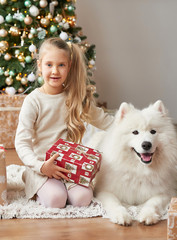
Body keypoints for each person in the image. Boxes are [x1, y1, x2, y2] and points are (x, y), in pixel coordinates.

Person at [15, 37, 114, 208]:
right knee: (56, 200)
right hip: (42, 166)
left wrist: (133, 125)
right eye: (49, 65)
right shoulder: (33, 101)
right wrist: (40, 166)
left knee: (82, 199)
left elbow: (105, 121)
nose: (55, 71)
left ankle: (62, 188)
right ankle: (34, 182)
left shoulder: (74, 98)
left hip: (69, 165)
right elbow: (21, 141)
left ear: (69, 67)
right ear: (39, 66)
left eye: (61, 65)